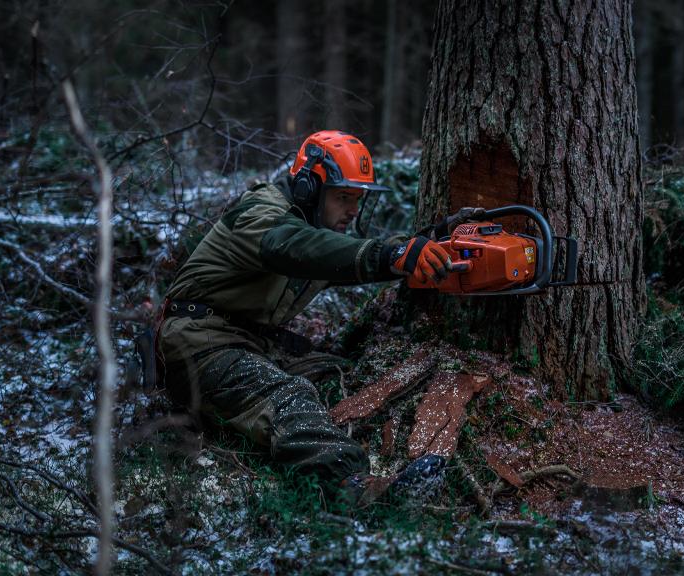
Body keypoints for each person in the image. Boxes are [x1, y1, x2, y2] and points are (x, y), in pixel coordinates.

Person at [157, 130, 458, 507]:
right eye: (344, 197)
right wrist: (388, 254)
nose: (352, 211)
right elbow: (294, 247)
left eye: (358, 200)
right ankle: (354, 487)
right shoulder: (263, 212)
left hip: (248, 343)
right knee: (289, 396)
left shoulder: (319, 233)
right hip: (196, 342)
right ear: (308, 188)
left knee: (339, 372)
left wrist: (434, 244)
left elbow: (346, 254)